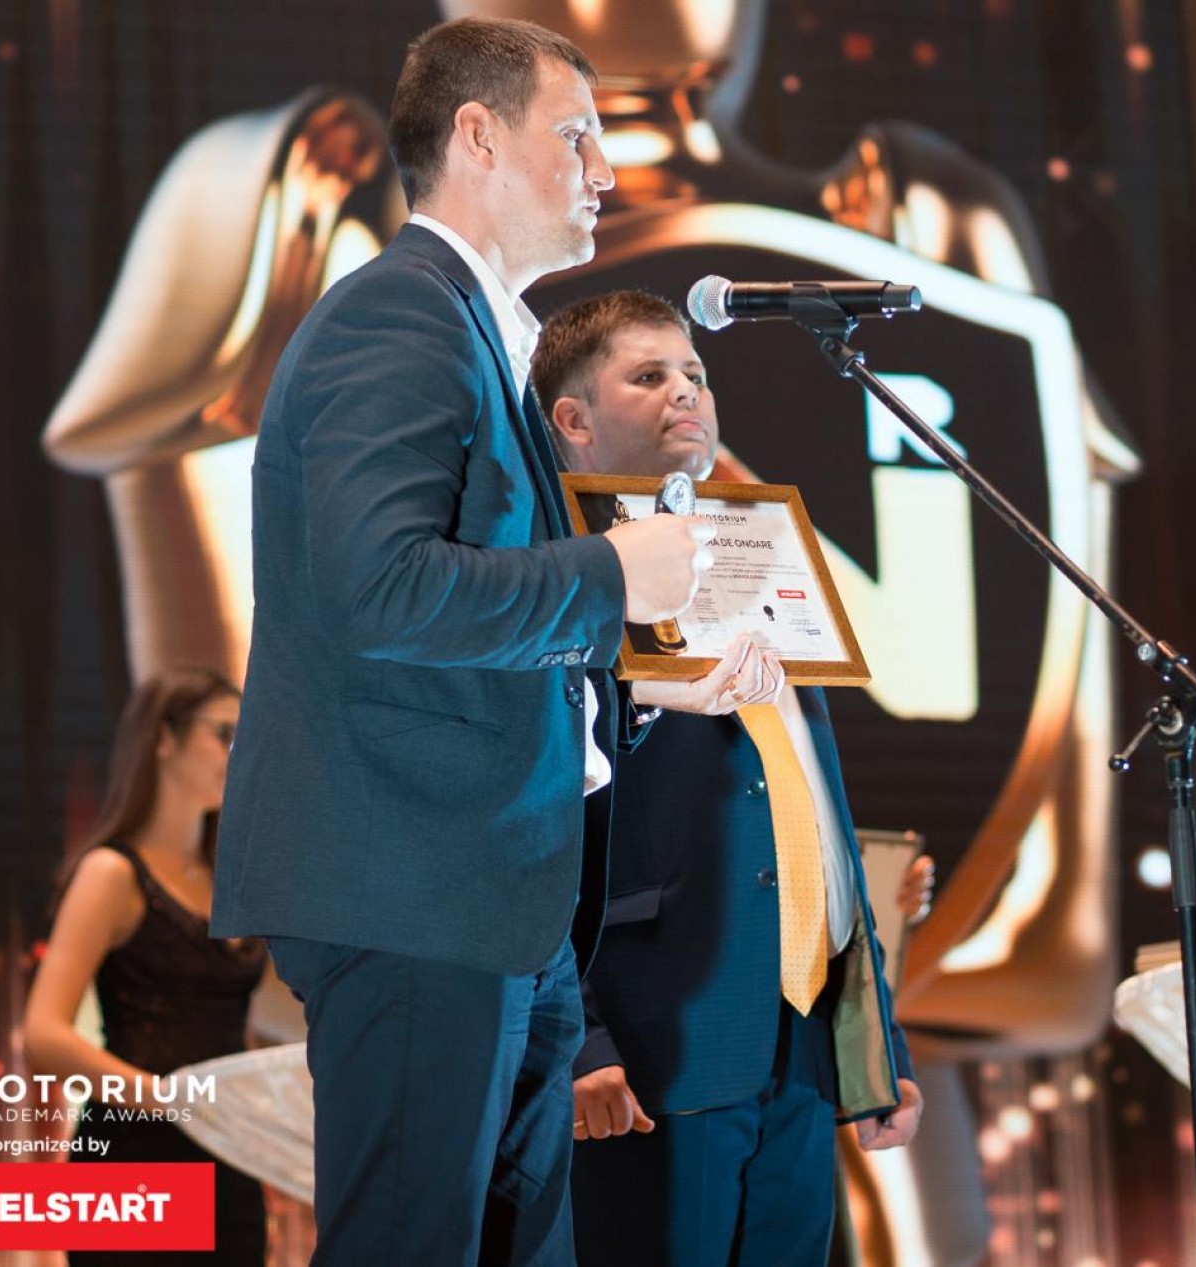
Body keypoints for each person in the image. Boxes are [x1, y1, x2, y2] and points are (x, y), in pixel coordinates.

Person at [208, 19, 771, 1266]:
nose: (605, 172)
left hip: (496, 903)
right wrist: (615, 574)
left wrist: (640, 692)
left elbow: (472, 625)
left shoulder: (478, 328)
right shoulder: (398, 317)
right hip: (414, 886)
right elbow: (382, 589)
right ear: (477, 136)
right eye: (576, 138)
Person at [531, 290, 924, 1267]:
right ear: (573, 419)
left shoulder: (764, 559)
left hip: (801, 1043)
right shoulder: (549, 581)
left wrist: (876, 1043)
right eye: (648, 375)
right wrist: (578, 1040)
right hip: (653, 1044)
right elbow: (531, 837)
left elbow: (816, 814)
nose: (686, 392)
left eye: (696, 373)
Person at [24, 667, 267, 1265]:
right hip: (133, 1159)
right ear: (164, 737)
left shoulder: (231, 880)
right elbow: (44, 1036)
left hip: (228, 1158)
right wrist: (172, 1100)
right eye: (224, 733)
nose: (238, 753)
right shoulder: (111, 874)